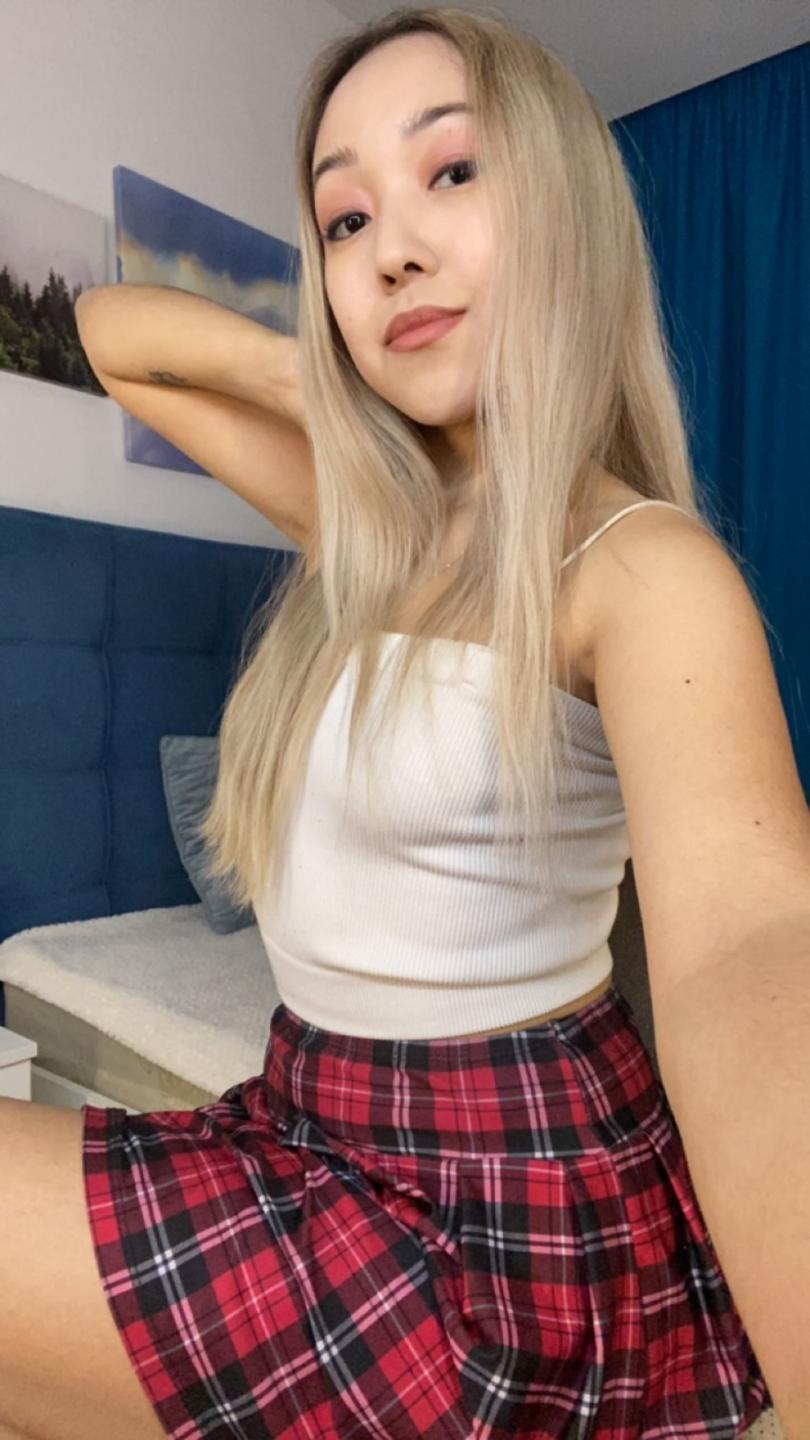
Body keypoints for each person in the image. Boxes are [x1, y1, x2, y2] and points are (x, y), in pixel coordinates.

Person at [3, 7, 788, 1439]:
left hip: (491, 1215)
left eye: (453, 173)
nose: (391, 251)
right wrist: (330, 384)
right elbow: (115, 337)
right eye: (345, 218)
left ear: (565, 205)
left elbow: (752, 946)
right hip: (304, 1118)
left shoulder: (636, 567)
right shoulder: (373, 531)